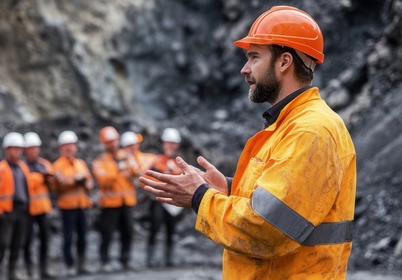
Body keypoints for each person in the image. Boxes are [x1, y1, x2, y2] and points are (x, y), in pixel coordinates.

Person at [140, 6, 356, 279]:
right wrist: (229, 189)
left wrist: (199, 197)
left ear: (284, 62)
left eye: (254, 57)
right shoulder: (289, 124)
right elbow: (278, 201)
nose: (244, 69)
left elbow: (267, 228)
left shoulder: (309, 130)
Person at [92, 126, 139, 272]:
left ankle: (125, 259)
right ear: (104, 143)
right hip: (110, 204)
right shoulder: (100, 161)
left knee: (128, 231)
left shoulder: (126, 156)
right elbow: (103, 180)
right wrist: (118, 168)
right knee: (107, 233)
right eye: (110, 142)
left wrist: (130, 169)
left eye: (115, 141)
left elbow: (136, 171)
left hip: (127, 202)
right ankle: (104, 261)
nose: (113, 144)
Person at [0, 132, 33, 280]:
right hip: (6, 211)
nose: (17, 152)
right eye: (13, 148)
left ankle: (12, 272)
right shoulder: (0, 168)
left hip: (21, 209)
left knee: (17, 242)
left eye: (19, 149)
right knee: (2, 243)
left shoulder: (23, 167)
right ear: (6, 150)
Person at [52, 131, 94, 276]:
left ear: (75, 147)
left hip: (82, 206)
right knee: (68, 237)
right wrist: (74, 181)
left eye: (71, 145)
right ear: (61, 148)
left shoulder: (80, 164)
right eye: (66, 146)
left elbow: (89, 182)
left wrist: (85, 182)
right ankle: (70, 265)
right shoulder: (57, 166)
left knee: (83, 237)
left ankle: (82, 264)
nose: (69, 148)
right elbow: (57, 185)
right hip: (67, 208)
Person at [146, 128, 183, 267]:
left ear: (177, 145)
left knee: (171, 229)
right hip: (158, 200)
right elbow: (147, 177)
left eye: (173, 143)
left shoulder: (179, 163)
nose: (170, 146)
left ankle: (169, 259)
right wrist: (166, 173)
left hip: (173, 201)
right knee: (155, 227)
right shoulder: (156, 160)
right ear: (163, 144)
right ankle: (150, 259)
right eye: (168, 143)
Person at [22, 132, 56, 278]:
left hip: (42, 208)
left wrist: (50, 180)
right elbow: (27, 183)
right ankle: (29, 271)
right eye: (31, 148)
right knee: (27, 242)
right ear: (25, 149)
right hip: (27, 210)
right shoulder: (22, 166)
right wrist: (41, 176)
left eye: (36, 147)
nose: (34, 150)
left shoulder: (45, 164)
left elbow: (54, 184)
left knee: (45, 240)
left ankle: (44, 269)